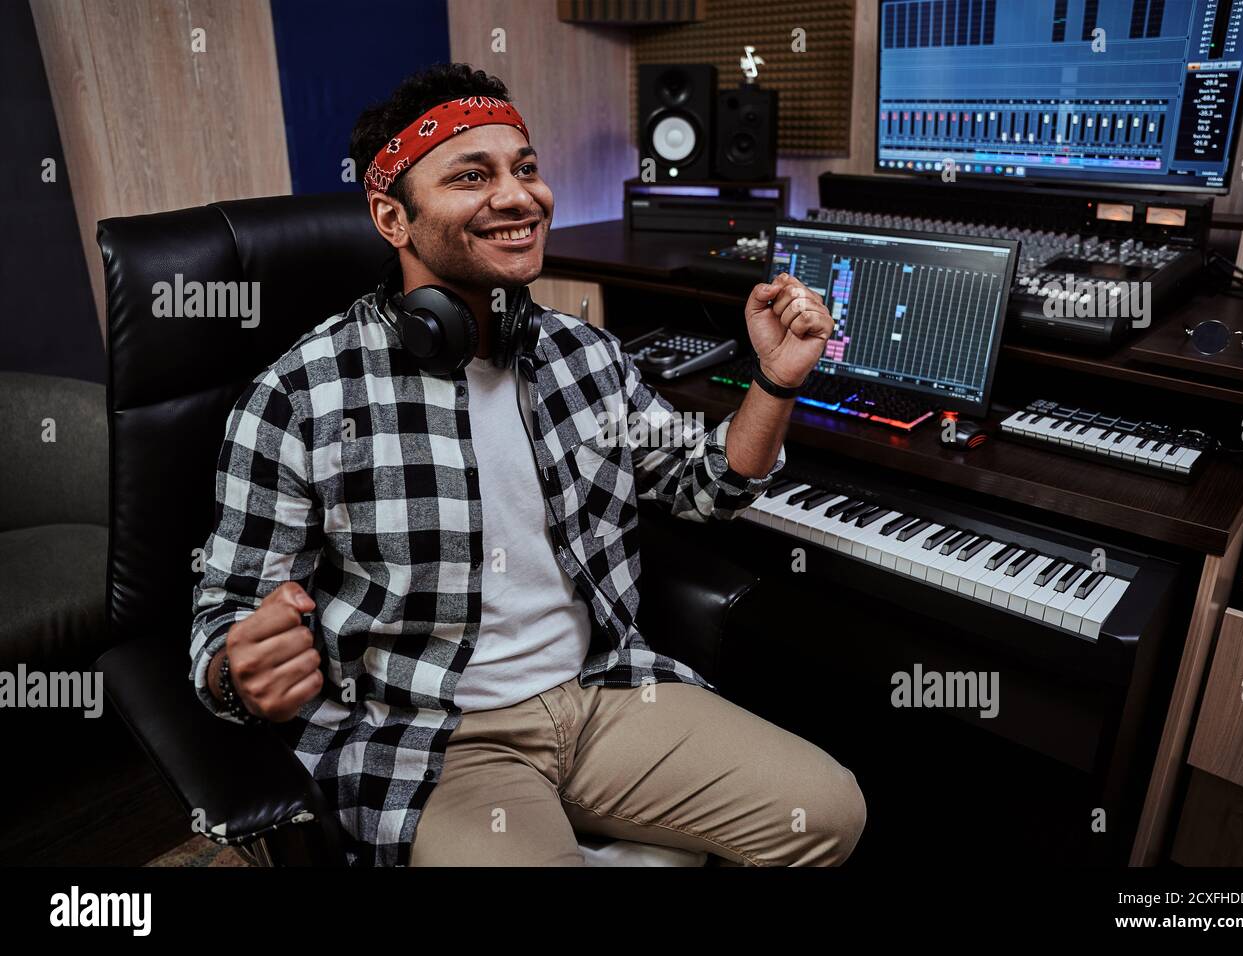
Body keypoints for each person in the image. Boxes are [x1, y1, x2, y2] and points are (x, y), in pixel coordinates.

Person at [188, 62, 865, 867]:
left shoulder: (584, 355)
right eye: (472, 175)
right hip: (435, 737)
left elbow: (705, 484)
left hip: (603, 694)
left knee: (825, 814)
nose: (519, 197)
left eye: (526, 168)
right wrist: (239, 671)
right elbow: (224, 615)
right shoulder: (301, 395)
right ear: (391, 217)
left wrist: (774, 381)